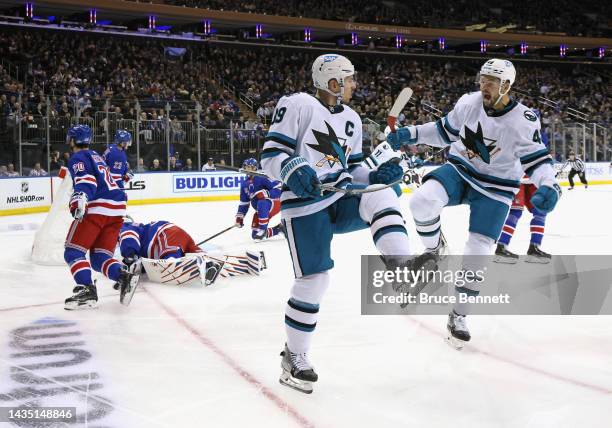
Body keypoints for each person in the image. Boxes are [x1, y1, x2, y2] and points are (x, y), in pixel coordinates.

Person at [261, 54, 411, 393]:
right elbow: (271, 156)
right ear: (333, 83)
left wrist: (374, 175)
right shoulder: (297, 104)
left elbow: (355, 169)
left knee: (383, 191)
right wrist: (292, 170)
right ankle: (294, 355)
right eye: (350, 79)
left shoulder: (353, 119)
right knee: (315, 281)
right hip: (304, 205)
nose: (355, 85)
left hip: (339, 197)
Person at [387, 58, 561, 349]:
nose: (484, 85)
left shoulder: (523, 119)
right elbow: (443, 132)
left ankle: (459, 314)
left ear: (506, 85)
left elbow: (538, 160)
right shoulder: (469, 102)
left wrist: (549, 185)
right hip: (459, 171)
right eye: (483, 79)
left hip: (496, 188)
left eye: (492, 81)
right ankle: (434, 252)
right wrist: (412, 133)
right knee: (421, 201)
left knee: (478, 252)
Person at [63, 125, 140, 310]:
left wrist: (79, 198)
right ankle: (123, 277)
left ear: (72, 140)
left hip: (99, 207)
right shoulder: (96, 155)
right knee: (99, 258)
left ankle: (87, 289)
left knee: (73, 251)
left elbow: (86, 180)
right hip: (117, 209)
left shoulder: (78, 157)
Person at [495, 177, 551, 263]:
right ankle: (501, 247)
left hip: (533, 180)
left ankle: (534, 248)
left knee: (540, 212)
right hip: (517, 177)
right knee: (515, 212)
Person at [235, 158, 283, 241]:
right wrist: (240, 217)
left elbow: (279, 188)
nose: (248, 169)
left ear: (255, 168)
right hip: (261, 210)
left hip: (274, 203)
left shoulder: (262, 177)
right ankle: (279, 229)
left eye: (251, 167)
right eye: (246, 167)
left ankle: (263, 229)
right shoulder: (244, 184)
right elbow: (244, 203)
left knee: (261, 201)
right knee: (255, 236)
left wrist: (267, 193)